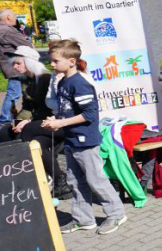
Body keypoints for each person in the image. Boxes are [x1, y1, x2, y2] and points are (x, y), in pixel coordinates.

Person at [44, 39, 127, 235]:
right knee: (75, 181)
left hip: (85, 141)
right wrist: (56, 118)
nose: (52, 65)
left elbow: (90, 114)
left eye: (56, 61)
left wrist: (60, 123)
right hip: (72, 139)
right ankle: (83, 219)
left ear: (72, 61)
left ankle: (116, 213)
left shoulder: (80, 83)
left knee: (96, 179)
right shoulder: (63, 81)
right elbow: (68, 110)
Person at [0, 46, 73, 199]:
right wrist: (18, 122)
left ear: (29, 62)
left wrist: (27, 121)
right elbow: (27, 106)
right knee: (7, 131)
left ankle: (52, 180)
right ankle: (19, 175)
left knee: (30, 136)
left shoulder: (45, 78)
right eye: (13, 63)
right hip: (38, 123)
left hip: (53, 121)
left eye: (18, 63)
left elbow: (48, 108)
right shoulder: (25, 79)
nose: (15, 66)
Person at [0, 8, 33, 124]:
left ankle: (7, 119)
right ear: (8, 17)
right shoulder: (7, 30)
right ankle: (5, 120)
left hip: (10, 65)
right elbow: (27, 45)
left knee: (16, 92)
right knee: (14, 93)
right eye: (14, 16)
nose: (16, 19)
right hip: (16, 66)